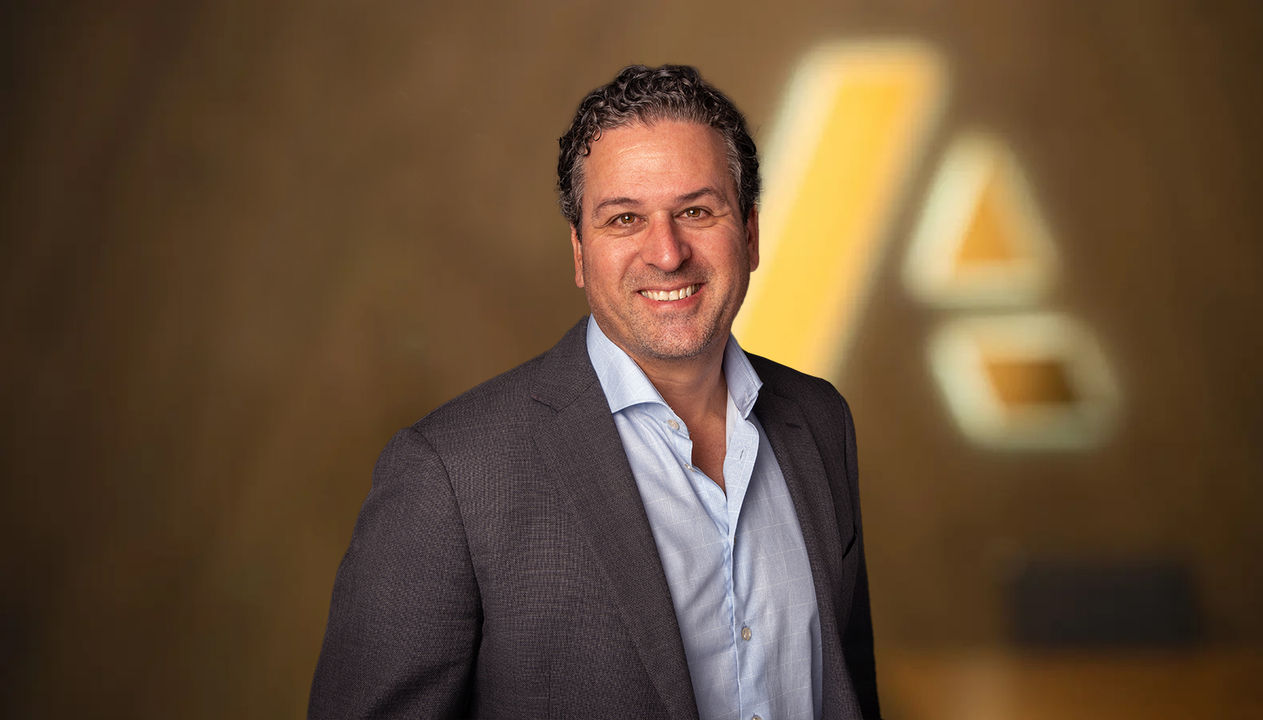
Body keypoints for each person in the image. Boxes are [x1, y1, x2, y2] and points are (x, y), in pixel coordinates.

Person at [309, 64, 880, 720]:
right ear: (580, 252)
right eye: (624, 219)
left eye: (696, 210)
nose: (667, 253)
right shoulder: (450, 474)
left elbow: (849, 687)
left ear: (749, 233)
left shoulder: (819, 420)